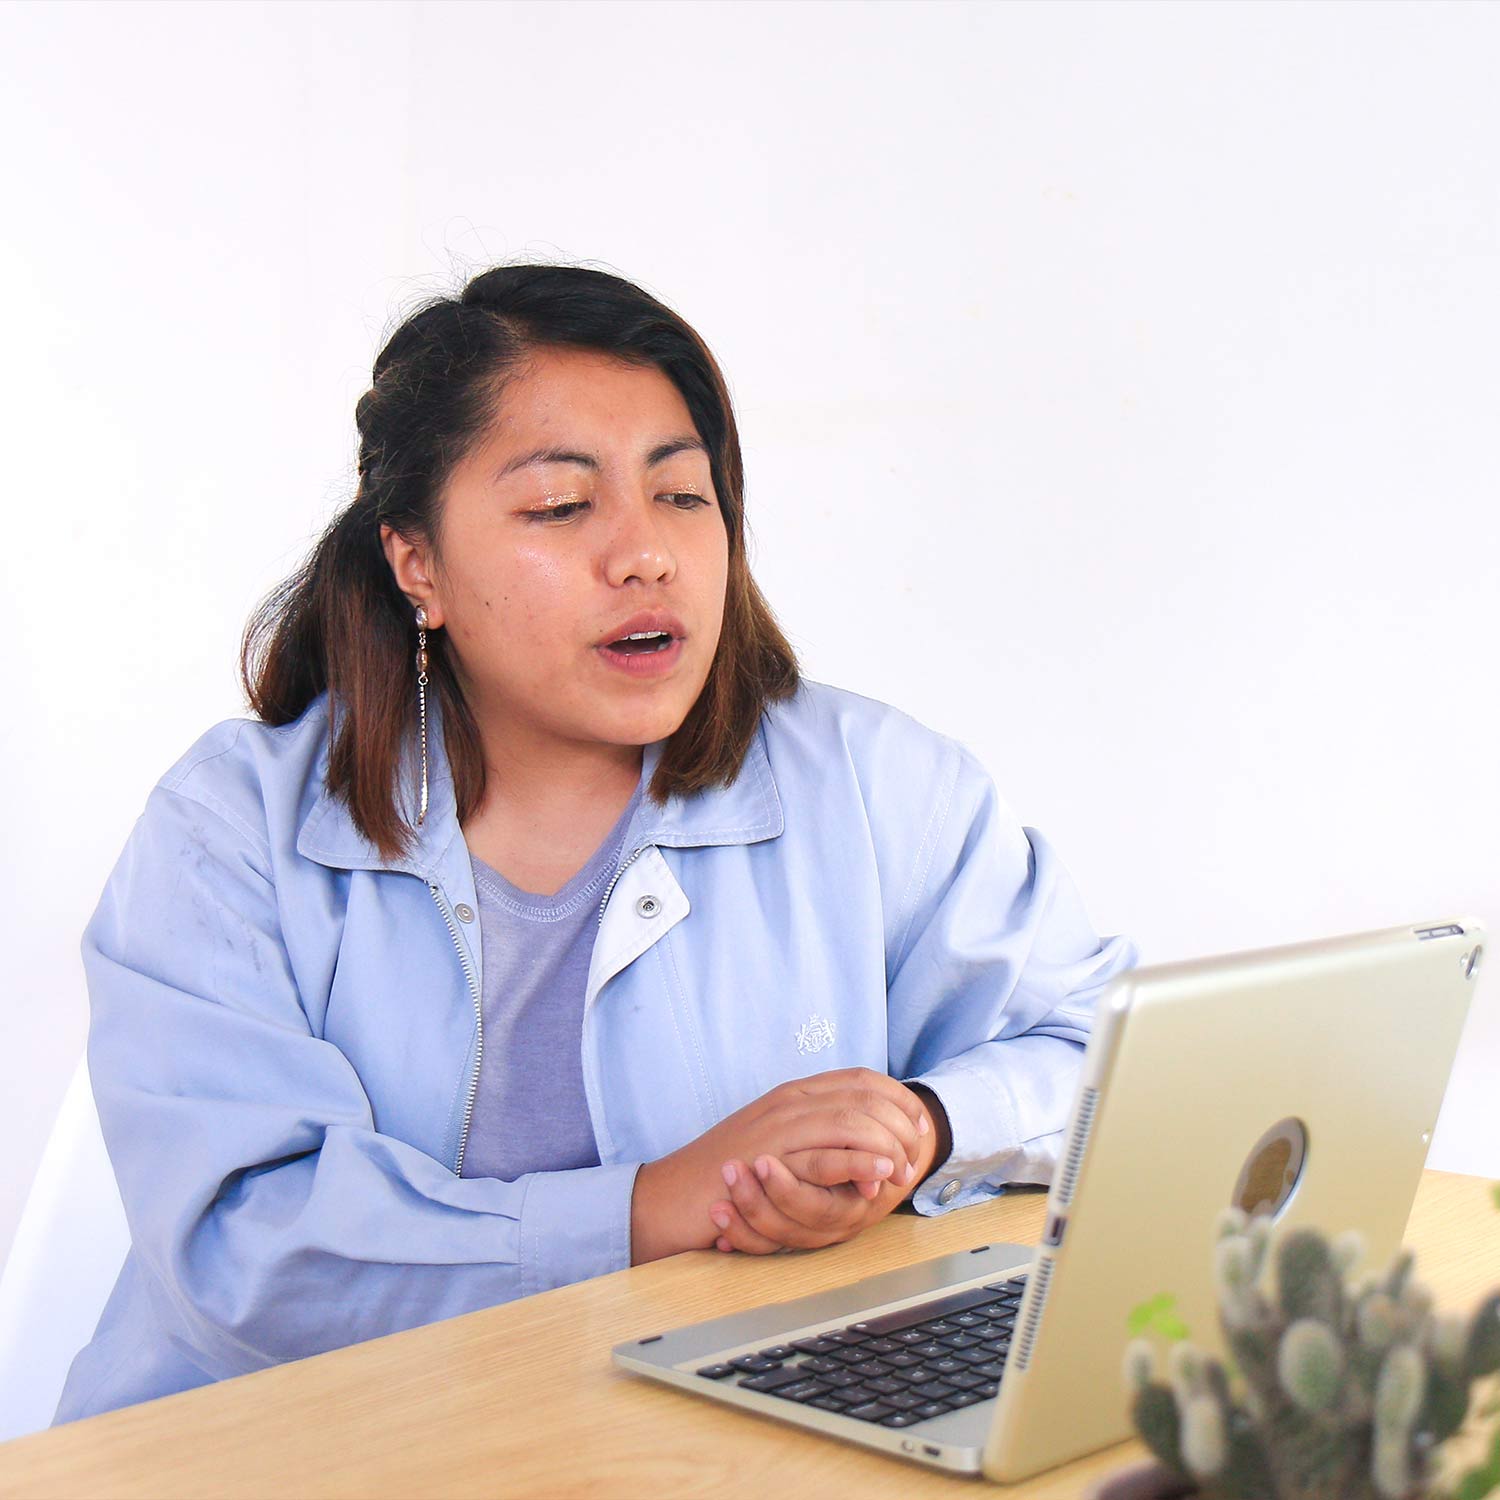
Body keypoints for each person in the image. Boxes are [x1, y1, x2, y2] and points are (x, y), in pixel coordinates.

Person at [54, 263, 1138, 1424]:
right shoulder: (233, 828)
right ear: (417, 562)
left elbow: (1110, 1056)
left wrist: (926, 1129)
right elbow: (249, 1247)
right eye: (563, 508)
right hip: (289, 1453)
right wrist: (653, 1208)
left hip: (688, 1449)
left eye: (683, 495)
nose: (646, 555)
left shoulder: (875, 786)